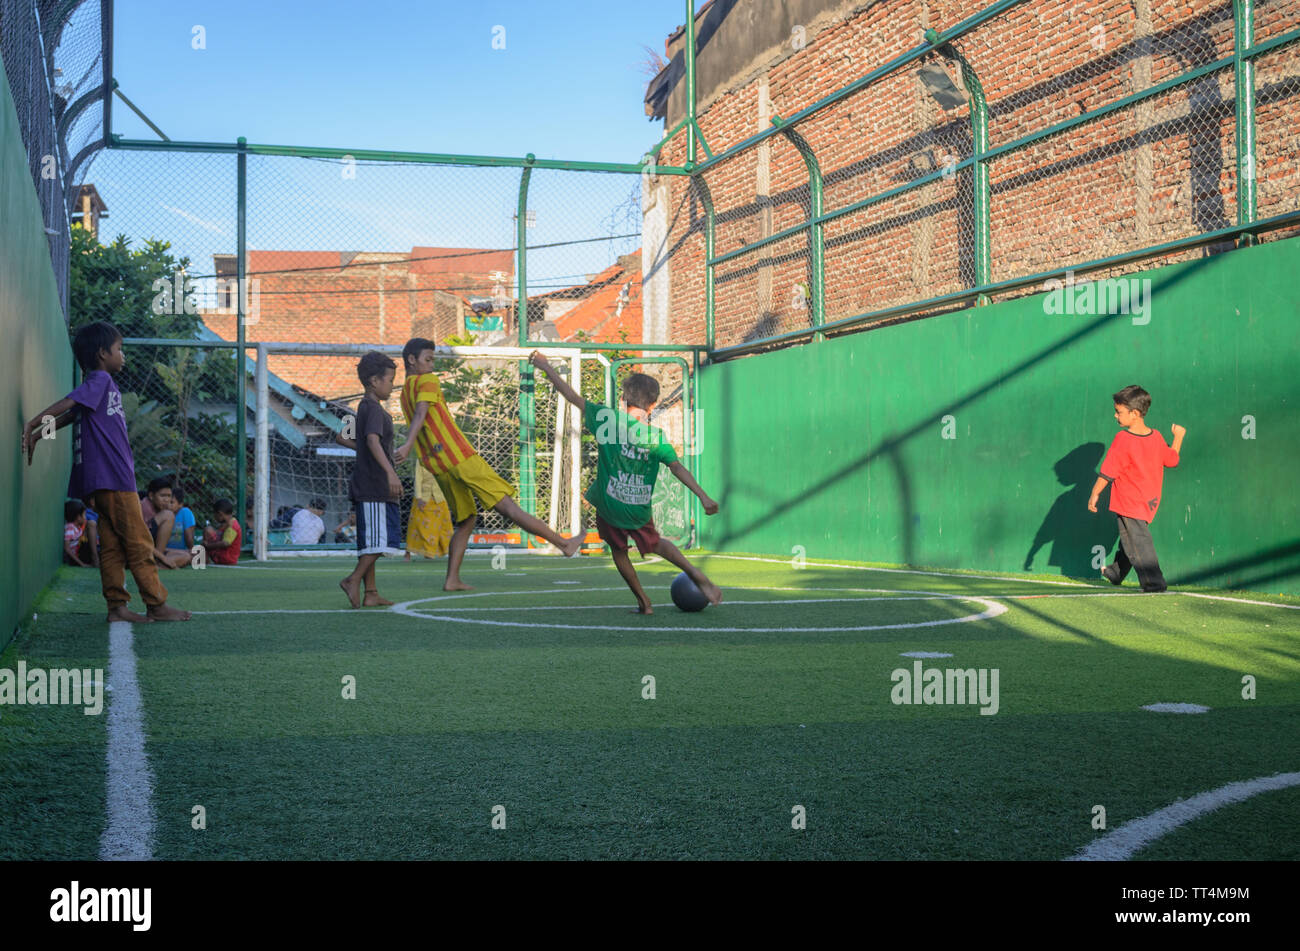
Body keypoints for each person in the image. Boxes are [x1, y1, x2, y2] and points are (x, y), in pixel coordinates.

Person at [21, 322, 190, 622]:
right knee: (139, 542)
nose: (122, 355)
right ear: (102, 354)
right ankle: (156, 603)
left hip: (99, 485)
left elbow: (71, 415)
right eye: (118, 349)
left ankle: (117, 607)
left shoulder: (99, 386)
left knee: (111, 546)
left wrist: (38, 434)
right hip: (113, 479)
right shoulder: (99, 379)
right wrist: (34, 423)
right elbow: (70, 403)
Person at [530, 352, 722, 614]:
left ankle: (644, 602)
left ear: (623, 400)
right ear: (652, 406)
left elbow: (571, 396)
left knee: (619, 551)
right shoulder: (655, 436)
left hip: (609, 505)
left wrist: (545, 366)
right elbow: (677, 467)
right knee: (656, 543)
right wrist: (703, 496)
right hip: (638, 508)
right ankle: (694, 572)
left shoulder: (606, 418)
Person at [394, 338, 582, 591]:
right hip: (459, 456)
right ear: (411, 360)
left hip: (437, 465)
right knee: (508, 505)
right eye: (428, 360)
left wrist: (411, 447)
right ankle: (564, 544)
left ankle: (452, 579)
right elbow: (422, 413)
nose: (431, 366)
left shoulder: (405, 390)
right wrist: (407, 445)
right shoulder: (427, 380)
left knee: (467, 519)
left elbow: (420, 414)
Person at [1087, 385, 1186, 593]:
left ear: (1135, 413)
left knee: (1138, 541)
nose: (1115, 416)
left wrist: (1095, 493)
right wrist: (1178, 436)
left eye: (1119, 412)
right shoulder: (1157, 437)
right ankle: (1116, 572)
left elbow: (1108, 471)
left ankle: (1154, 582)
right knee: (1130, 539)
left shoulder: (1123, 439)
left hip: (1129, 501)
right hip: (1148, 502)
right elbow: (1172, 459)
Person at [340, 351, 404, 608]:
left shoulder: (361, 407)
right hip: (376, 485)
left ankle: (372, 592)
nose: (391, 385)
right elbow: (372, 440)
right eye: (390, 380)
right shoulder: (374, 409)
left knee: (370, 539)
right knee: (382, 539)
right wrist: (389, 470)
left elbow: (341, 437)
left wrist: (373, 453)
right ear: (375, 381)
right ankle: (352, 579)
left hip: (365, 482)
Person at [405, 463, 453, 559]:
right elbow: (418, 479)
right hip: (423, 499)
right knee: (416, 526)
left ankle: (441, 552)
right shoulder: (421, 460)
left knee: (445, 528)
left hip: (440, 499)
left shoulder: (443, 459)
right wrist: (418, 497)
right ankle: (408, 553)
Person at [144, 477, 190, 569]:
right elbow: (139, 541)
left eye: (169, 496)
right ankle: (156, 562)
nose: (166, 500)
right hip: (138, 551)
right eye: (163, 496)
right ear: (151, 496)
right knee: (168, 515)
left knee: (186, 556)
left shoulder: (160, 508)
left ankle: (156, 566)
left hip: (152, 551)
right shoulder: (144, 508)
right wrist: (163, 558)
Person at [203, 498, 242, 565]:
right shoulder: (226, 523)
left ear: (220, 514)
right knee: (208, 531)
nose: (214, 517)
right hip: (223, 556)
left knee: (207, 530)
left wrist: (208, 546)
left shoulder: (233, 526)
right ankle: (203, 557)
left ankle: (204, 558)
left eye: (215, 515)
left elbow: (225, 543)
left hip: (227, 558)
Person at [63, 499, 94, 567]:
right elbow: (67, 548)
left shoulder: (77, 527)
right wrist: (82, 564)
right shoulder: (70, 528)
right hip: (74, 558)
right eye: (84, 514)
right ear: (78, 517)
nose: (85, 517)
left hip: (79, 553)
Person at [167, 486, 197, 553]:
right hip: (165, 550)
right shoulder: (163, 514)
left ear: (180, 504)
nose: (168, 505)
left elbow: (189, 537)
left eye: (172, 502)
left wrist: (191, 550)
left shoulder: (185, 512)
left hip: (183, 551)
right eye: (167, 502)